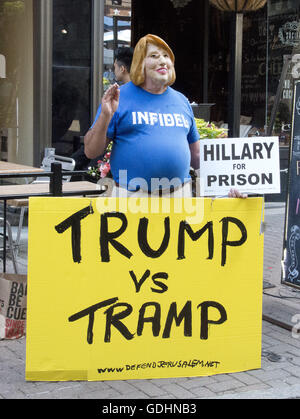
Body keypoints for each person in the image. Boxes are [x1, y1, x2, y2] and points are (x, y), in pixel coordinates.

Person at [84, 34, 245, 198]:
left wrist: (226, 187)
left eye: (166, 56)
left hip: (179, 197)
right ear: (140, 62)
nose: (162, 61)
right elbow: (91, 151)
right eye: (154, 56)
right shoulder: (119, 98)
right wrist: (105, 115)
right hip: (132, 199)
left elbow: (196, 156)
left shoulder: (181, 101)